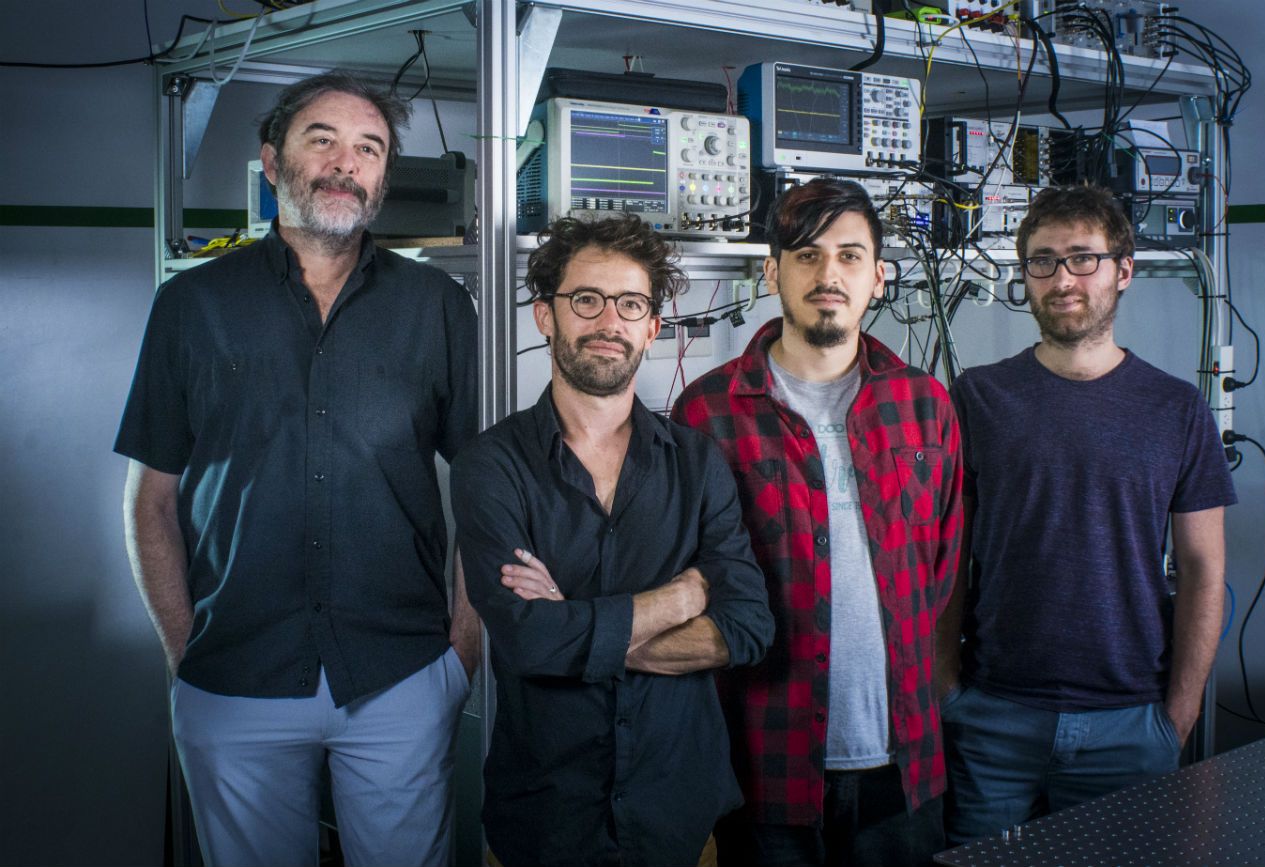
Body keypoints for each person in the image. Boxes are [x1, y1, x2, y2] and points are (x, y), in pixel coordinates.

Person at [115, 70, 479, 867]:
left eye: (369, 147)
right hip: (234, 675)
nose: (346, 162)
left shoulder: (438, 306)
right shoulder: (193, 305)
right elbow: (152, 503)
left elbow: (491, 493)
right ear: (273, 160)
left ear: (383, 175)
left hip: (402, 673)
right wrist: (188, 657)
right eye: (323, 139)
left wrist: (462, 651)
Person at [451, 215, 774, 867]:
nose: (609, 321)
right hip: (543, 820)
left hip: (678, 817)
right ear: (546, 315)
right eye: (586, 300)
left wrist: (576, 629)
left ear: (653, 326)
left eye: (631, 303)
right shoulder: (491, 466)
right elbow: (526, 640)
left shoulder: (698, 463)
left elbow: (747, 627)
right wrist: (683, 595)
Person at [673, 178, 963, 867]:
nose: (828, 274)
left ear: (879, 278)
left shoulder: (925, 405)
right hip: (765, 768)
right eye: (805, 255)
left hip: (905, 765)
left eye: (850, 255)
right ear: (772, 271)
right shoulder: (707, 414)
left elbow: (946, 567)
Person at [937, 184, 1237, 843]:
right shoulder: (978, 397)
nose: (1062, 278)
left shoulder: (1177, 409)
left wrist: (1177, 715)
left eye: (1082, 258)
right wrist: (947, 684)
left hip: (1129, 723)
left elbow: (1204, 569)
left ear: (1123, 270)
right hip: (992, 717)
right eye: (1042, 261)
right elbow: (946, 555)